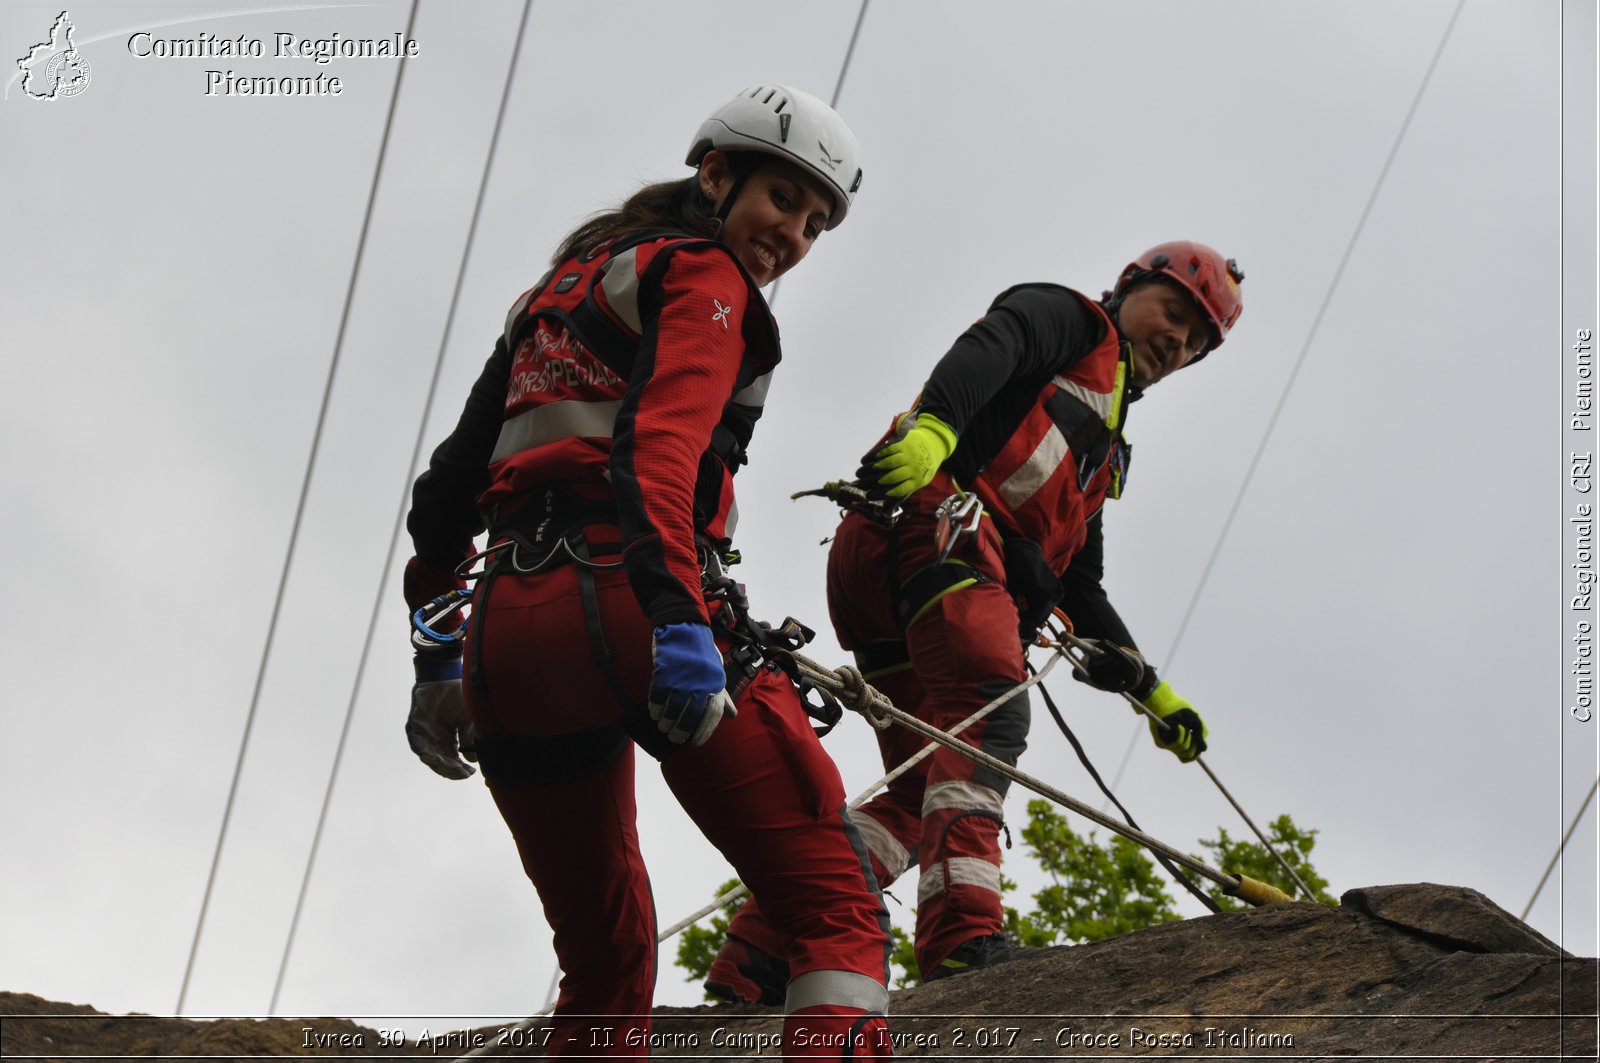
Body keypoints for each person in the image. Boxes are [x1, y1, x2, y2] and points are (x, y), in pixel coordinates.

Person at [402, 85, 893, 1060]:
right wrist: (678, 622)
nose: (791, 234)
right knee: (835, 908)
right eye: (779, 200)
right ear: (715, 175)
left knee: (604, 967)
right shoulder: (705, 278)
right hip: (637, 607)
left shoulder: (557, 290)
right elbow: (657, 455)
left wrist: (434, 659)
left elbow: (445, 491)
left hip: (507, 635)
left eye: (812, 223)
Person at [708, 242, 1244, 997]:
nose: (1178, 339)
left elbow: (1078, 583)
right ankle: (962, 934)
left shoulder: (1106, 453)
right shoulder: (1073, 323)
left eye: (1196, 341)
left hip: (901, 565)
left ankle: (764, 951)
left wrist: (1150, 689)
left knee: (927, 775)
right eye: (1175, 312)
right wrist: (933, 430)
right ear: (1131, 288)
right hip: (936, 522)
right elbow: (996, 345)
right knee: (989, 723)